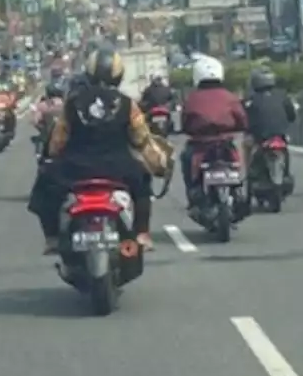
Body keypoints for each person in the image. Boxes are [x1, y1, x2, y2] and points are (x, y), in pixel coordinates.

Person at [28, 47, 156, 254]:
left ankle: (51, 238)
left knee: (45, 184)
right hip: (118, 167)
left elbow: (57, 142)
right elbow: (140, 137)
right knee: (143, 181)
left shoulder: (72, 103)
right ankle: (142, 234)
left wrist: (52, 157)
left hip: (75, 168)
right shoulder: (126, 103)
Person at [179, 57, 249, 202]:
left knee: (185, 157)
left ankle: (192, 192)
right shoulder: (230, 97)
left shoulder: (192, 99)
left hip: (201, 144)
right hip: (225, 142)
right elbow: (242, 120)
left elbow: (185, 124)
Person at [243, 67, 296, 182]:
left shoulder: (251, 99)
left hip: (260, 135)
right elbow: (291, 115)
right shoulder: (282, 96)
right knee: (286, 149)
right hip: (281, 134)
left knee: (247, 146)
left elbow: (243, 117)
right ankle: (286, 172)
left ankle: (248, 175)